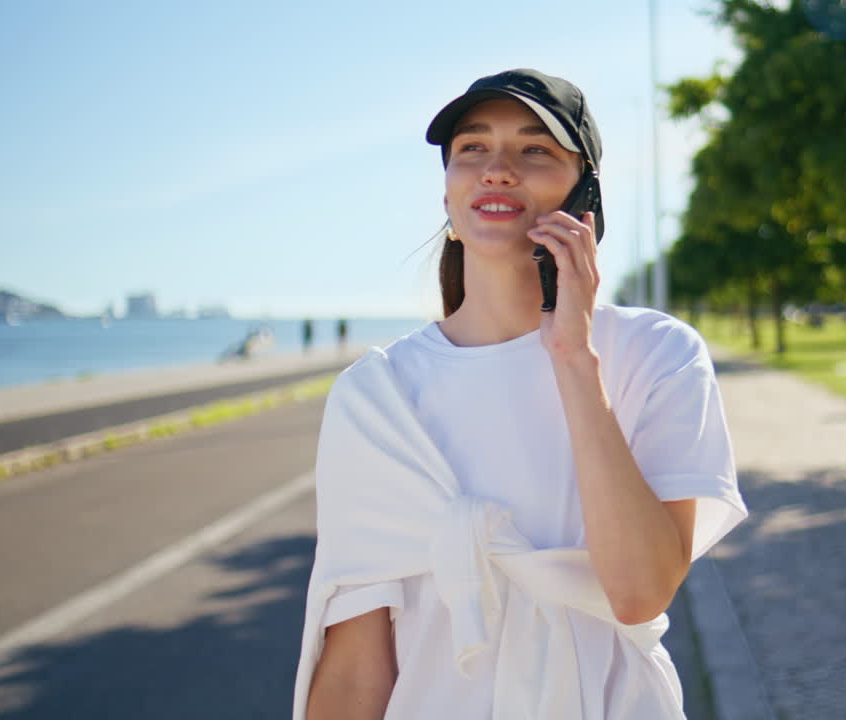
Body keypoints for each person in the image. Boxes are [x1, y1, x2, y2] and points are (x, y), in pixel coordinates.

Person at [293, 69, 747, 720]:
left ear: (586, 195)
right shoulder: (375, 396)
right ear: (449, 198)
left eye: (535, 149)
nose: (497, 170)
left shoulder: (658, 354)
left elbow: (640, 592)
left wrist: (573, 356)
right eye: (472, 148)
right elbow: (354, 667)